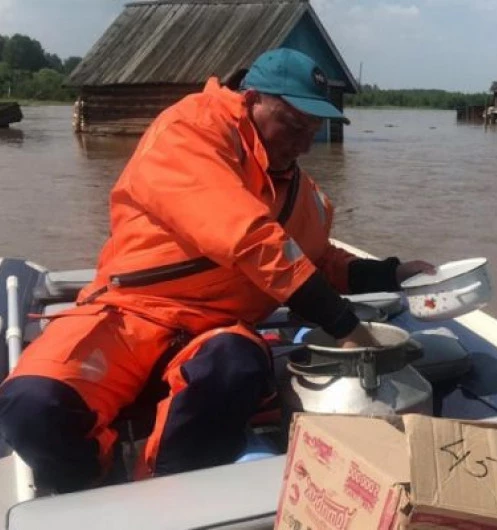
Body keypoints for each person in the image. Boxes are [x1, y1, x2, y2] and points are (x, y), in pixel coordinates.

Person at [0, 48, 433, 493]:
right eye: (293, 123)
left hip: (219, 329)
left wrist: (393, 274)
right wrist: (343, 324)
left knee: (235, 366)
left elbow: (319, 262)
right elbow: (246, 235)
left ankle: (164, 495)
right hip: (130, 313)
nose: (305, 142)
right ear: (250, 100)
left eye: (315, 126)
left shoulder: (309, 198)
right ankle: (95, 487)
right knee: (32, 405)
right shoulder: (191, 129)